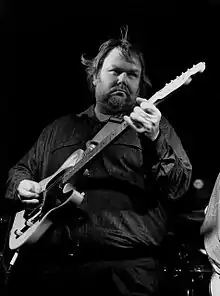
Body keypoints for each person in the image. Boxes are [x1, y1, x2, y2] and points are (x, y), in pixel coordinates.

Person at [4, 26, 192, 296]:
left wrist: (154, 139)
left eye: (132, 75)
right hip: (51, 273)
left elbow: (179, 188)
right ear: (95, 77)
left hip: (126, 275)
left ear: (140, 84)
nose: (123, 80)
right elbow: (19, 171)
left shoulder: (158, 129)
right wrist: (22, 185)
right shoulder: (58, 129)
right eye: (115, 71)